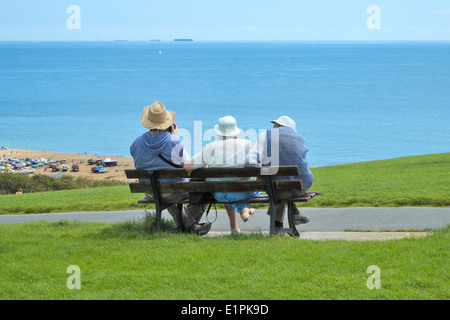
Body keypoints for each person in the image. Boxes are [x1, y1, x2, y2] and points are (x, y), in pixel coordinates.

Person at [130, 101, 212, 236]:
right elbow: (186, 165)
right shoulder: (174, 141)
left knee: (167, 190)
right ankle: (189, 227)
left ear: (148, 122)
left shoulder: (136, 143)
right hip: (173, 191)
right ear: (167, 123)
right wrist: (174, 137)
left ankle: (185, 226)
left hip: (150, 190)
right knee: (204, 189)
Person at [184, 116, 258, 235]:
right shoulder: (247, 144)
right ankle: (240, 216)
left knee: (225, 186)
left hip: (220, 194)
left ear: (219, 132)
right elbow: (254, 164)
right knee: (232, 185)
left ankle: (235, 226)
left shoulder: (210, 147)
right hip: (245, 192)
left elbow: (187, 166)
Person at [248, 116, 313, 230]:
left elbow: (250, 160)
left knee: (277, 187)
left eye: (274, 125)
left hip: (276, 189)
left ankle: (278, 226)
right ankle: (294, 216)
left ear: (278, 125)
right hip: (301, 188)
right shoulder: (300, 138)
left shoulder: (267, 135)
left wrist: (260, 170)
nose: (273, 127)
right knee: (282, 186)